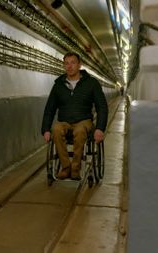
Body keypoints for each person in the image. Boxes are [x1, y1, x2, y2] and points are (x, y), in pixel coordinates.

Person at [41, 52, 108, 180]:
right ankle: (66, 167)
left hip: (84, 121)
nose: (69, 66)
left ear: (79, 65)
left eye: (73, 63)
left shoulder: (91, 83)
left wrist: (100, 128)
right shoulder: (58, 85)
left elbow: (102, 107)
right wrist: (45, 129)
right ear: (63, 66)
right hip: (65, 121)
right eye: (66, 63)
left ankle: (75, 168)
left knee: (80, 131)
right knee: (56, 129)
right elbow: (49, 109)